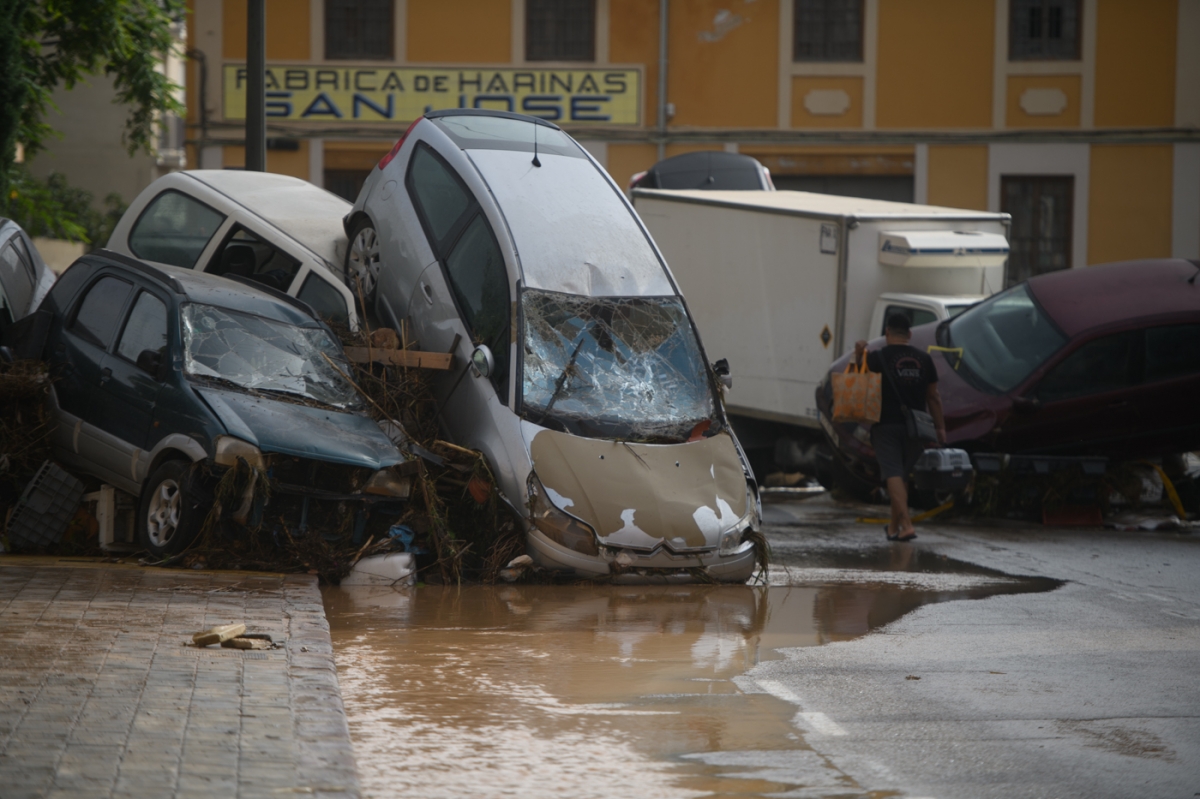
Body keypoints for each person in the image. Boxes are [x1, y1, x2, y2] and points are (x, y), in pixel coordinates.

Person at [854, 313, 946, 542]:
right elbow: (933, 397)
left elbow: (859, 382)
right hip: (917, 428)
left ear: (887, 333)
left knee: (892, 473)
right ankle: (894, 527)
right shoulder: (925, 359)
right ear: (910, 334)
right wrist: (940, 428)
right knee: (901, 475)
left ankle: (906, 525)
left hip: (886, 425)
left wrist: (858, 356)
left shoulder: (877, 357)